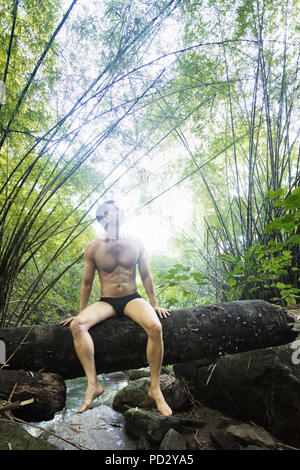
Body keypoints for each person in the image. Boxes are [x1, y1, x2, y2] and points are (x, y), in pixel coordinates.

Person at [60, 200, 172, 416]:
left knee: (155, 327)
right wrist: (81, 312)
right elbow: (86, 283)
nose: (119, 211)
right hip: (107, 302)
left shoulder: (136, 241)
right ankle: (93, 385)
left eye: (119, 208)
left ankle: (155, 388)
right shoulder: (93, 247)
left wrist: (155, 304)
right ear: (103, 218)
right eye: (113, 210)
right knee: (78, 325)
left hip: (132, 299)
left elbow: (146, 275)